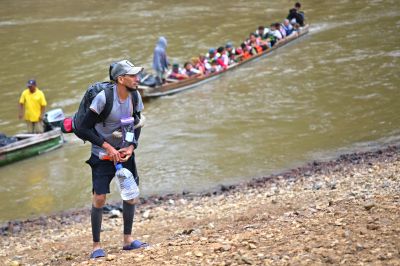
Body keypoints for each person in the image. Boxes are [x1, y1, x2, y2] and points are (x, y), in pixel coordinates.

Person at [78, 60, 147, 259]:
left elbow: (137, 123)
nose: (137, 79)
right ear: (120, 79)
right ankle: (96, 246)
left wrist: (131, 146)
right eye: (133, 76)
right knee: (99, 198)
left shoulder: (135, 96)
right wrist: (107, 146)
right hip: (102, 153)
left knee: (131, 195)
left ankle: (127, 240)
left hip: (124, 151)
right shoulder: (103, 98)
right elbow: (83, 128)